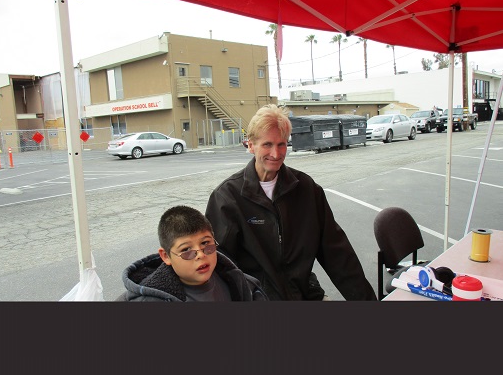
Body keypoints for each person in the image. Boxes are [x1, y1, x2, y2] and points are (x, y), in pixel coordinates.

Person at [205, 104, 377, 301]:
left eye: (282, 144)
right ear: (250, 145)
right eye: (267, 144)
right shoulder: (227, 197)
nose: (276, 154)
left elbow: (337, 253)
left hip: (305, 294)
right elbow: (219, 266)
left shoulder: (306, 190)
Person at [116, 205, 268, 301]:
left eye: (205, 243)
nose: (201, 255)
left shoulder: (241, 284)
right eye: (186, 250)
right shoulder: (146, 300)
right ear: (166, 256)